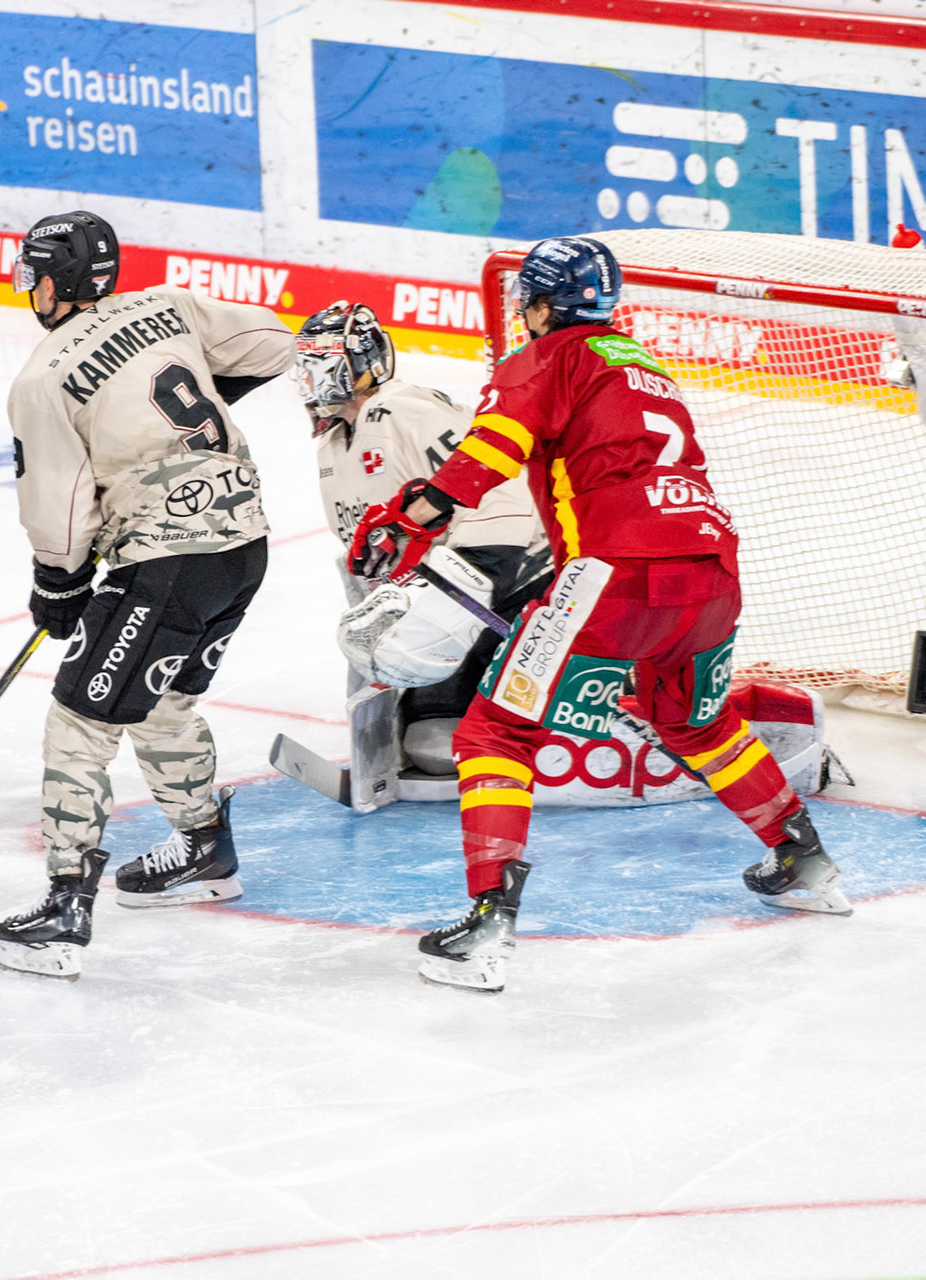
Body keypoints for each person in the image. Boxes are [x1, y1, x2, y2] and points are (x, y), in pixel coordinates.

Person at [348, 235, 851, 995]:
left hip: (613, 579)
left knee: (495, 731)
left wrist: (416, 513)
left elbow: (493, 445)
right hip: (713, 573)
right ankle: (805, 860)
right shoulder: (645, 365)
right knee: (694, 722)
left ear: (545, 305)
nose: (522, 314)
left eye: (529, 301)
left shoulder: (548, 359)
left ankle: (486, 927)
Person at [0, 211, 295, 980]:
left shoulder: (42, 375)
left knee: (79, 719)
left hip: (166, 561)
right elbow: (274, 342)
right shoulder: (171, 305)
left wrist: (56, 583)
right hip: (245, 546)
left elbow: (58, 508)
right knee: (160, 702)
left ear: (57, 280)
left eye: (34, 272)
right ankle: (202, 847)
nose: (29, 288)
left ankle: (65, 905)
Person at [299, 300, 550, 778]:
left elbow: (501, 486)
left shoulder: (405, 409)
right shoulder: (332, 442)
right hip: (442, 597)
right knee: (426, 741)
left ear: (360, 363)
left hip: (513, 586)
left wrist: (467, 585)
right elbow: (367, 556)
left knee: (446, 745)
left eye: (322, 363)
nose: (311, 379)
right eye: (306, 366)